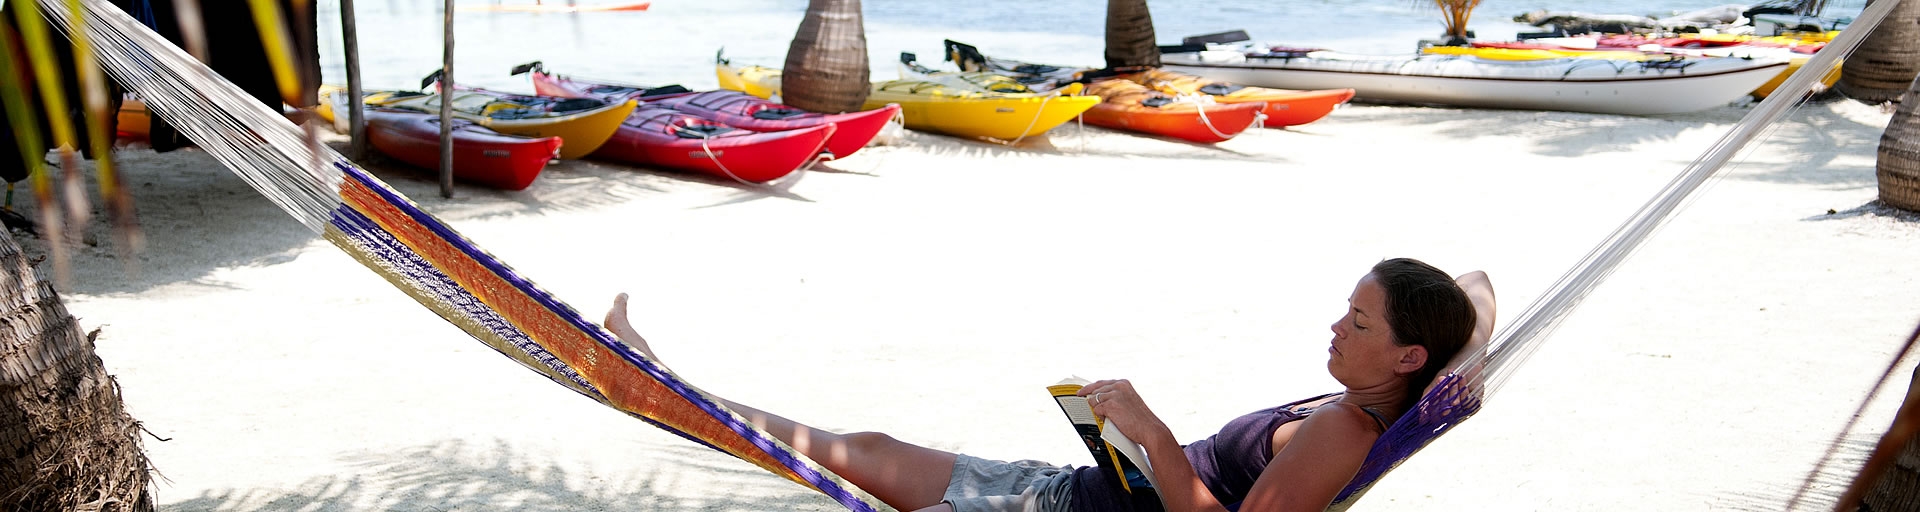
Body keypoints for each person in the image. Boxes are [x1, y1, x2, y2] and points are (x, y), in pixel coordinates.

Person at [603, 258, 1497, 512]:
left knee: (864, 456)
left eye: (1360, 323)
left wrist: (1148, 431)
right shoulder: (1365, 400)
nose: (1336, 328)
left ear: (1407, 358)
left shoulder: (1342, 430)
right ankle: (665, 383)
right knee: (866, 450)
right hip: (1082, 491)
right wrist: (1463, 350)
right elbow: (1478, 293)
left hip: (1065, 507)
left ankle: (660, 385)